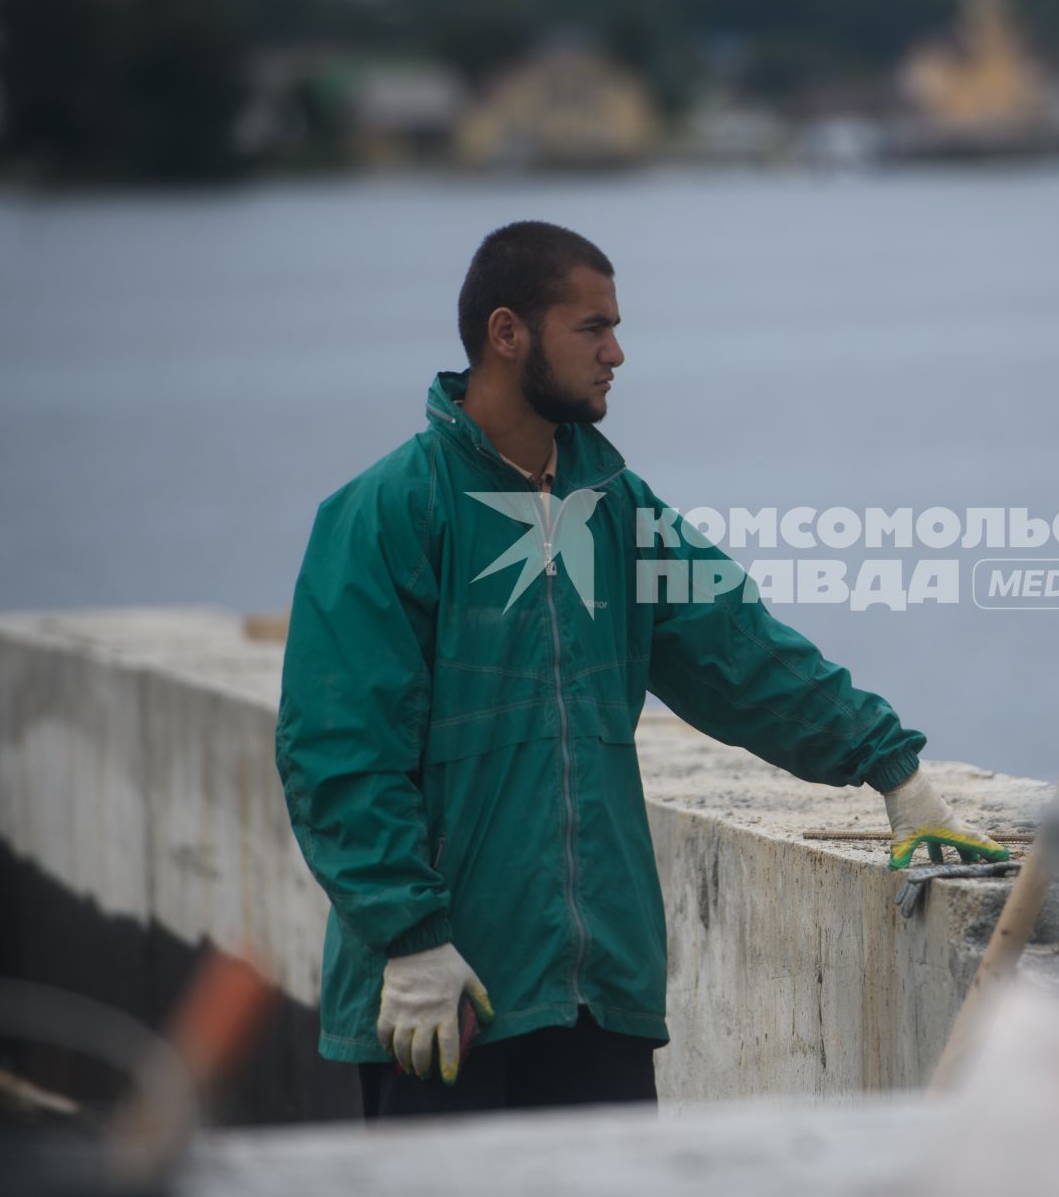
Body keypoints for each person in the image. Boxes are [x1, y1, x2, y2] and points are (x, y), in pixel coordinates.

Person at [274, 221, 1006, 1119]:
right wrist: (409, 935)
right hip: (443, 995)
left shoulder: (615, 508)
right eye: (593, 327)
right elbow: (338, 752)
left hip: (598, 992)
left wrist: (893, 769)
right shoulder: (387, 513)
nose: (618, 353)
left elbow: (738, 652)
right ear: (508, 334)